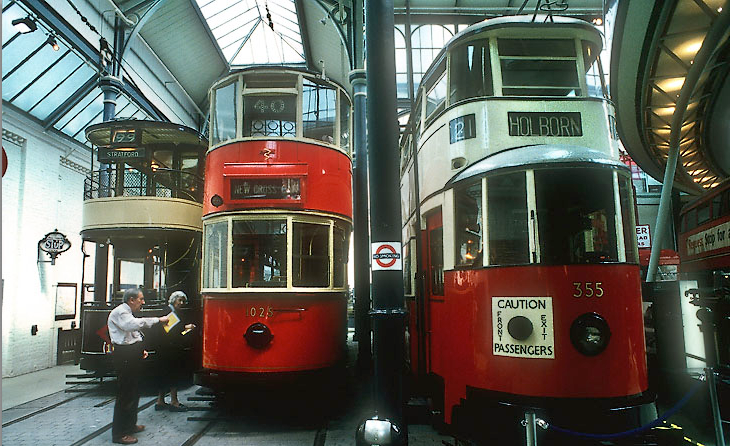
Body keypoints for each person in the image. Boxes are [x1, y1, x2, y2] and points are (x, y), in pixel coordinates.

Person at [108, 288, 170, 445]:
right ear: (131, 300)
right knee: (126, 394)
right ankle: (119, 434)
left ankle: (130, 425)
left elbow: (133, 334)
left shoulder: (127, 312)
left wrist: (139, 348)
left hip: (130, 354)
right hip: (124, 356)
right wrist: (158, 320)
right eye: (141, 299)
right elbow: (132, 326)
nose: (143, 302)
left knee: (134, 391)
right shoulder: (121, 313)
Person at [155, 290, 196, 412]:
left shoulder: (169, 311)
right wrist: (186, 328)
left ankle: (160, 401)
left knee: (163, 374)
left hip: (164, 348)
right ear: (174, 300)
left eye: (183, 301)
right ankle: (174, 402)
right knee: (174, 374)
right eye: (180, 300)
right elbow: (172, 331)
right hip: (170, 348)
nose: (182, 303)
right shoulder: (169, 312)